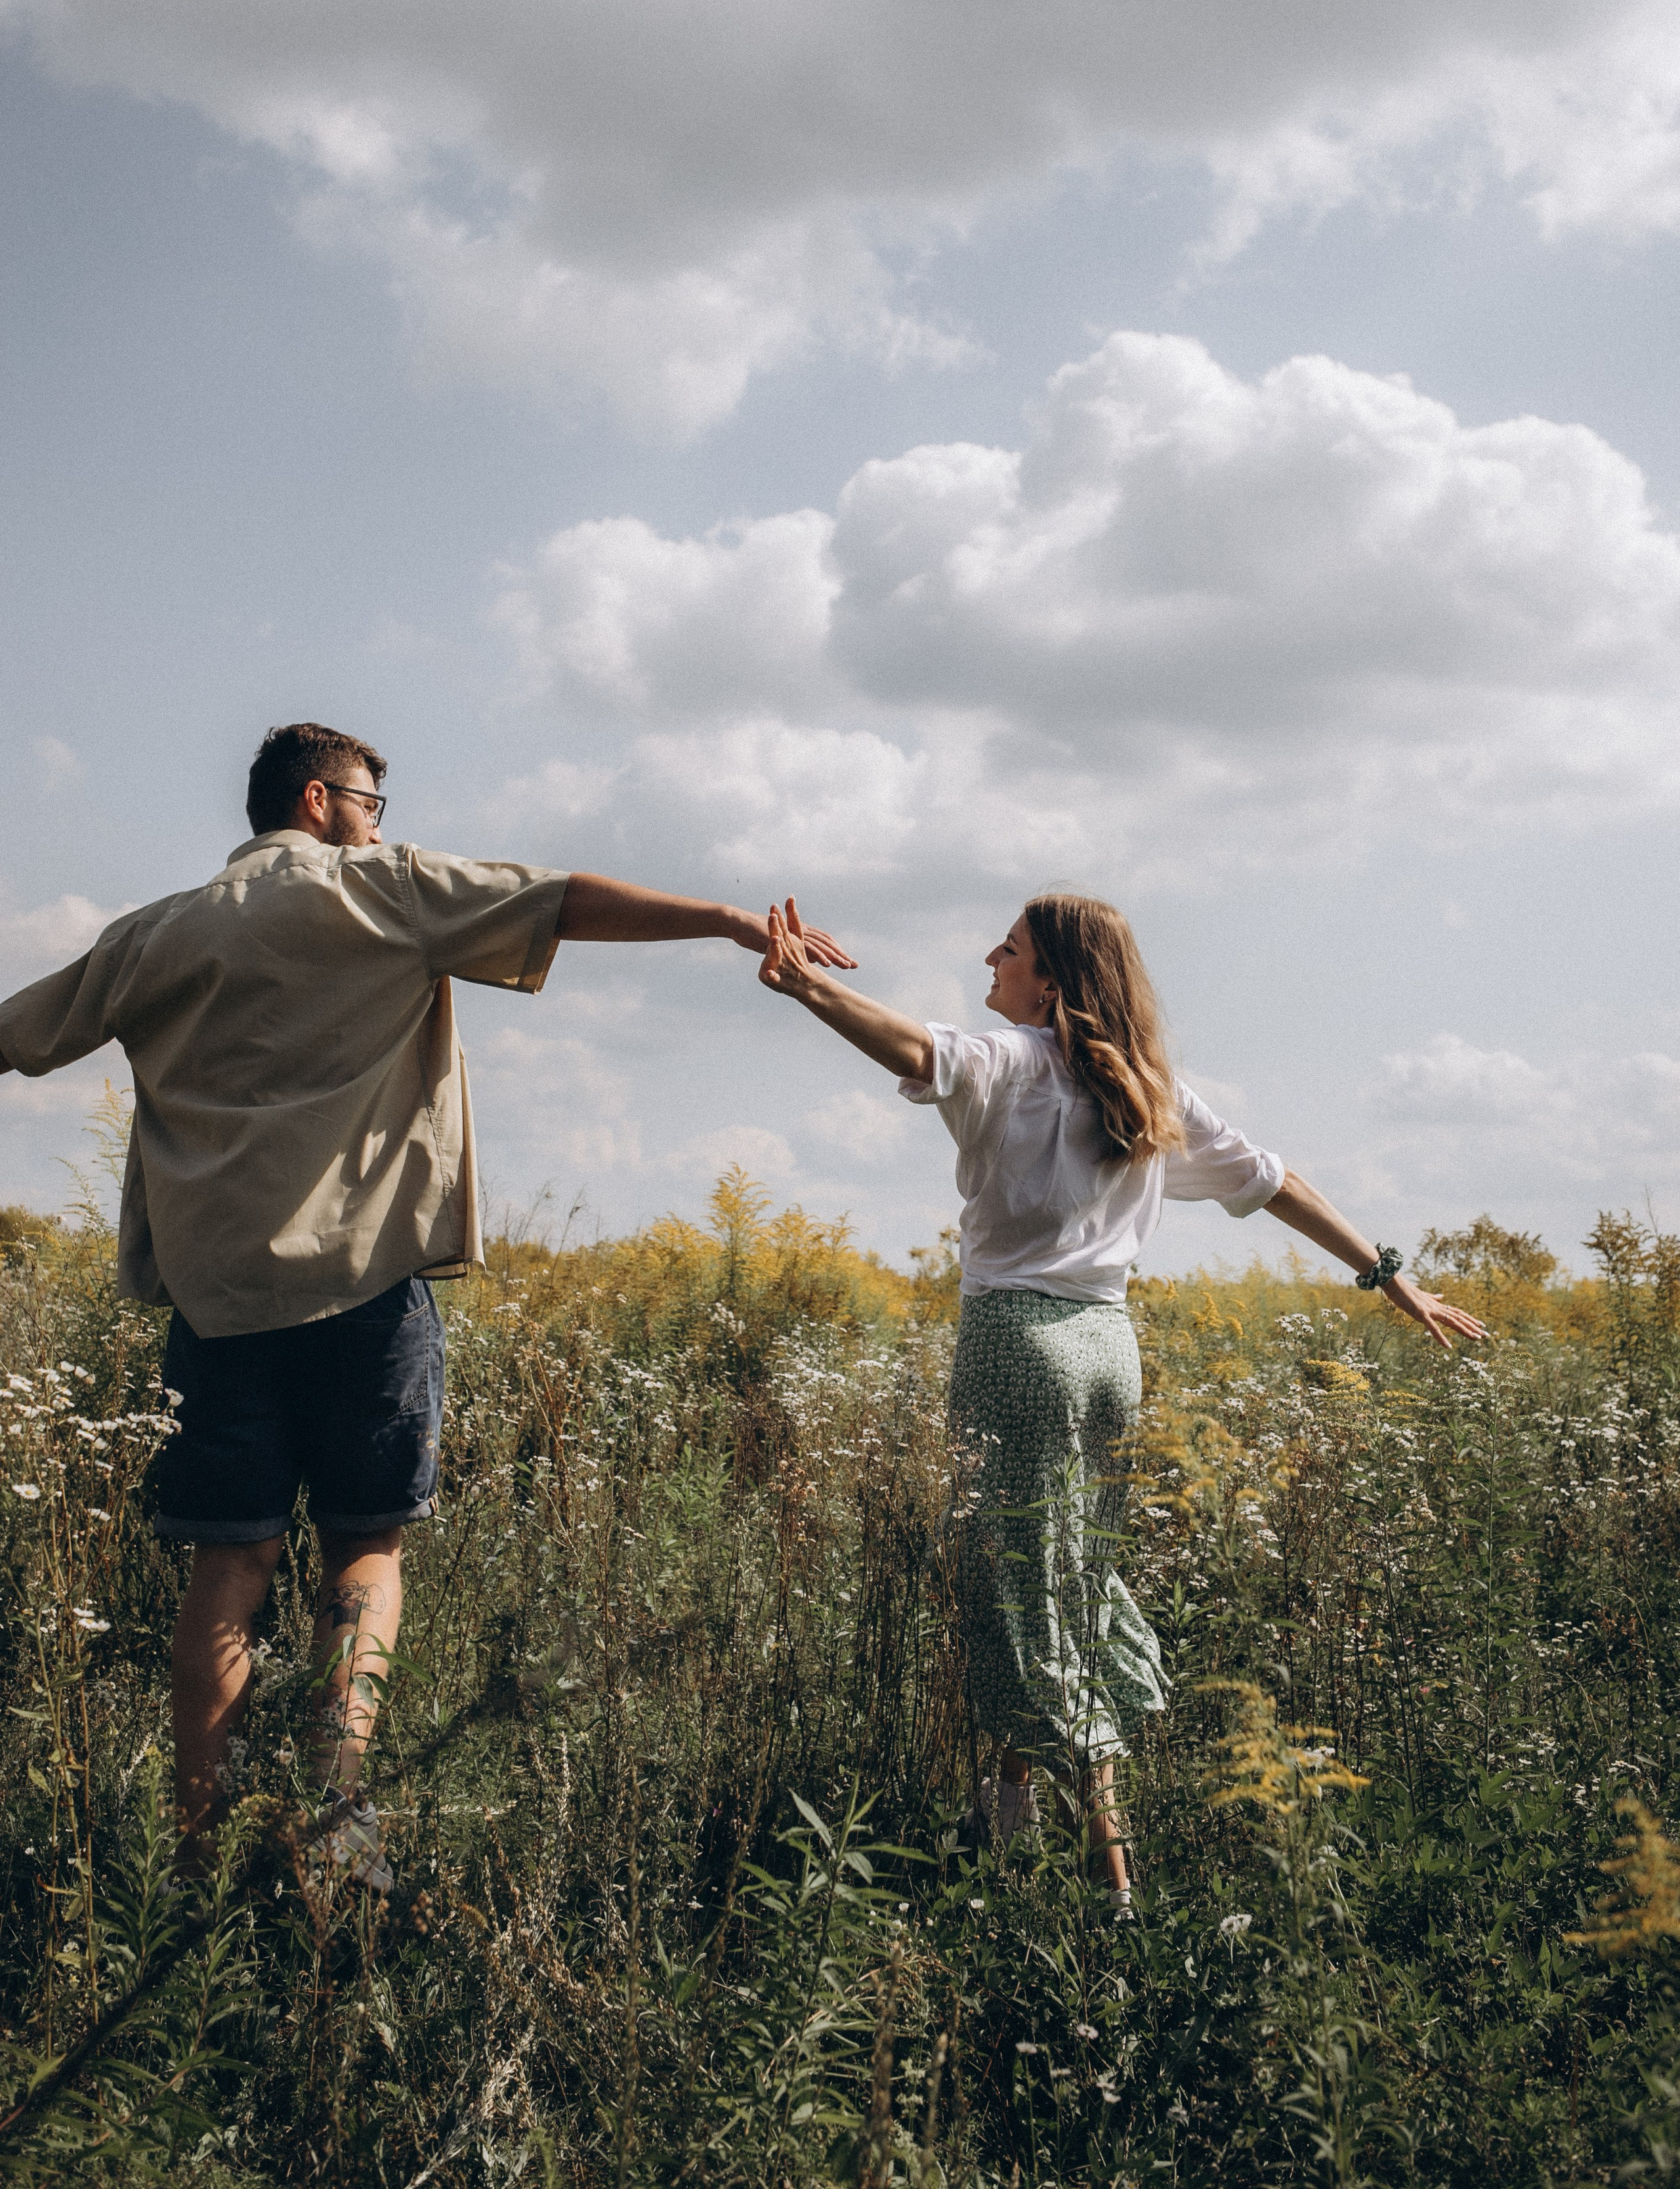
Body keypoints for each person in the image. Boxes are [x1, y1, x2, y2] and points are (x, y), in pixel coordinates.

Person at [0, 721, 855, 1874]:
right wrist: (727, 919)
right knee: (366, 1554)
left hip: (216, 1306)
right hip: (365, 1289)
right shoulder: (382, 892)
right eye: (368, 802)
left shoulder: (152, 934)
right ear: (318, 799)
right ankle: (336, 1817)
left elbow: (18, 1037)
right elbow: (560, 899)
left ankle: (199, 1855)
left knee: (227, 1568)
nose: (376, 822)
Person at [755, 890, 1486, 1912]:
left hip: (1019, 1350)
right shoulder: (1148, 1092)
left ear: (1050, 978)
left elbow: (914, 1048)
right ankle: (1001, 1829)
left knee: (1024, 1598)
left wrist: (807, 989)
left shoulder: (1013, 1063)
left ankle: (1114, 1881)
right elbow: (1277, 1182)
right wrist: (1389, 1275)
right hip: (1110, 1357)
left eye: (1006, 950)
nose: (989, 958)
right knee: (1065, 1577)